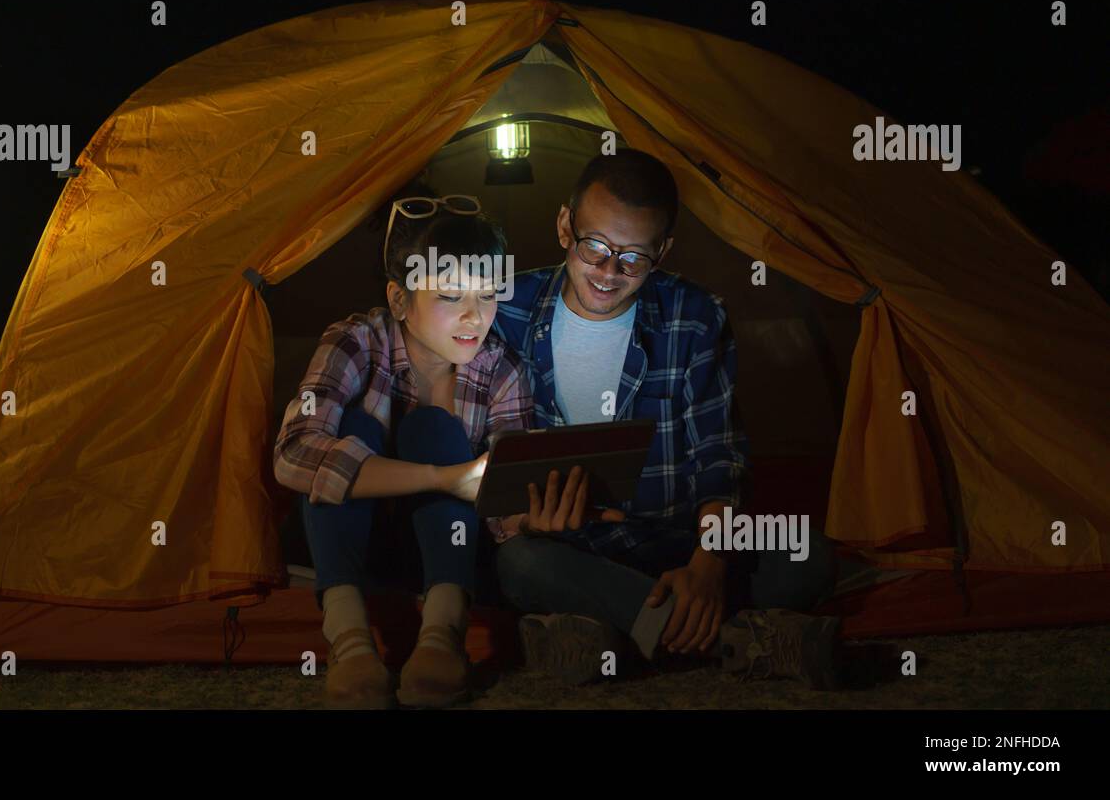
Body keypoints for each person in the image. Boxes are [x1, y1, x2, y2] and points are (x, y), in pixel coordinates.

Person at [489, 148, 842, 689]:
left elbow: (719, 457)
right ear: (564, 225)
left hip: (677, 540)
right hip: (571, 549)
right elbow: (478, 455)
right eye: (596, 247)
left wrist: (709, 564)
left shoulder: (696, 316)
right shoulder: (506, 308)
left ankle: (606, 631)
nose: (609, 272)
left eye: (633, 258)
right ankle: (737, 639)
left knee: (809, 553)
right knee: (518, 565)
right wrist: (525, 521)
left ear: (663, 252)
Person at [273, 182, 533, 708]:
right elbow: (294, 451)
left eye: (486, 296)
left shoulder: (502, 369)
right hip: (350, 544)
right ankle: (350, 643)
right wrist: (446, 479)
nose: (473, 316)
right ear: (399, 298)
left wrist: (530, 509)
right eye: (449, 295)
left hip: (444, 555)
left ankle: (441, 635)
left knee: (434, 429)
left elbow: (508, 498)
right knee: (354, 426)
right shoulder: (356, 341)